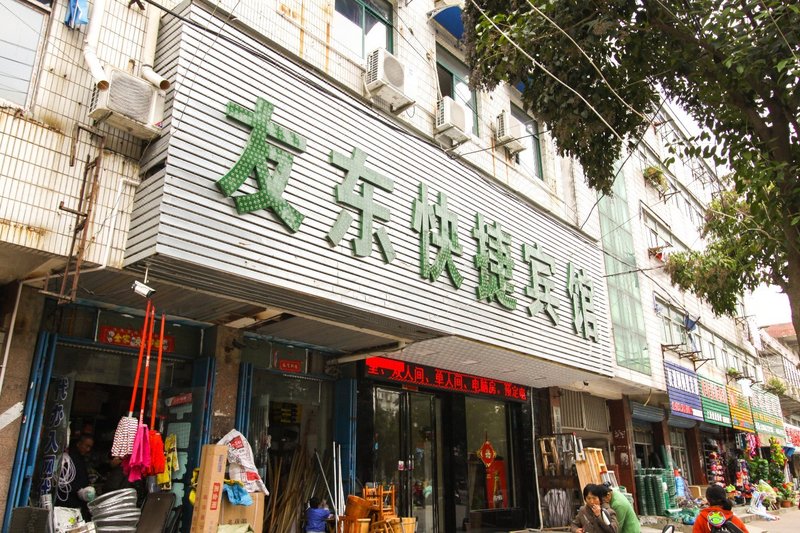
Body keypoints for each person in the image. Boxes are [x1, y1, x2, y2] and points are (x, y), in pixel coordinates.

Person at [56, 433, 95, 520]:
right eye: (86, 446)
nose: (88, 449)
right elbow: (62, 480)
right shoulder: (68, 458)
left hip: (77, 503)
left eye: (90, 447)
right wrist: (78, 490)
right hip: (67, 501)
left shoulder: (81, 459)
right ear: (79, 443)